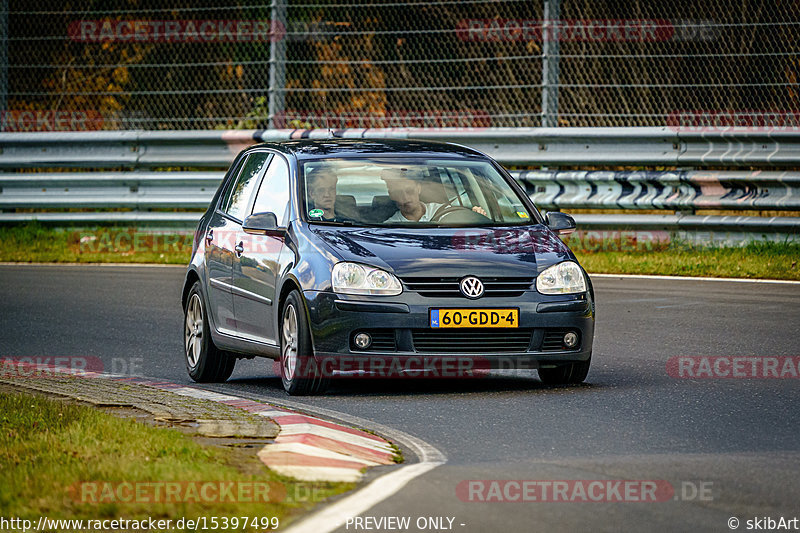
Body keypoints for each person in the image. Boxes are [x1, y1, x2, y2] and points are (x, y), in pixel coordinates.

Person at [381, 168, 487, 223]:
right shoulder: (389, 226)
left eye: (409, 191)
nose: (405, 198)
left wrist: (476, 217)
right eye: (399, 193)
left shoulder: (444, 211)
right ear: (391, 195)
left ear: (419, 189)